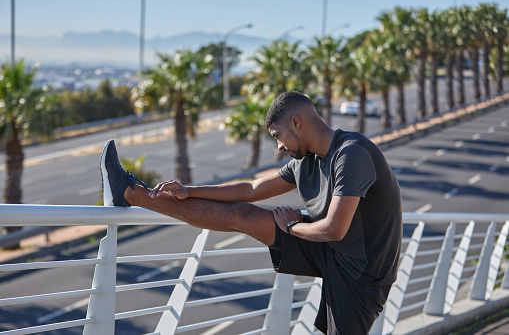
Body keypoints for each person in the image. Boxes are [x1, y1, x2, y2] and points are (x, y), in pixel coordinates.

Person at [100, 90, 402, 334]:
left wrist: (291, 227)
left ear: (296, 123)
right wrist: (191, 190)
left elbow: (334, 228)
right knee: (244, 215)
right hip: (332, 250)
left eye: (277, 135)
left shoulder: (351, 155)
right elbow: (251, 189)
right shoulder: (305, 160)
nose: (280, 146)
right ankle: (129, 193)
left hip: (363, 273)